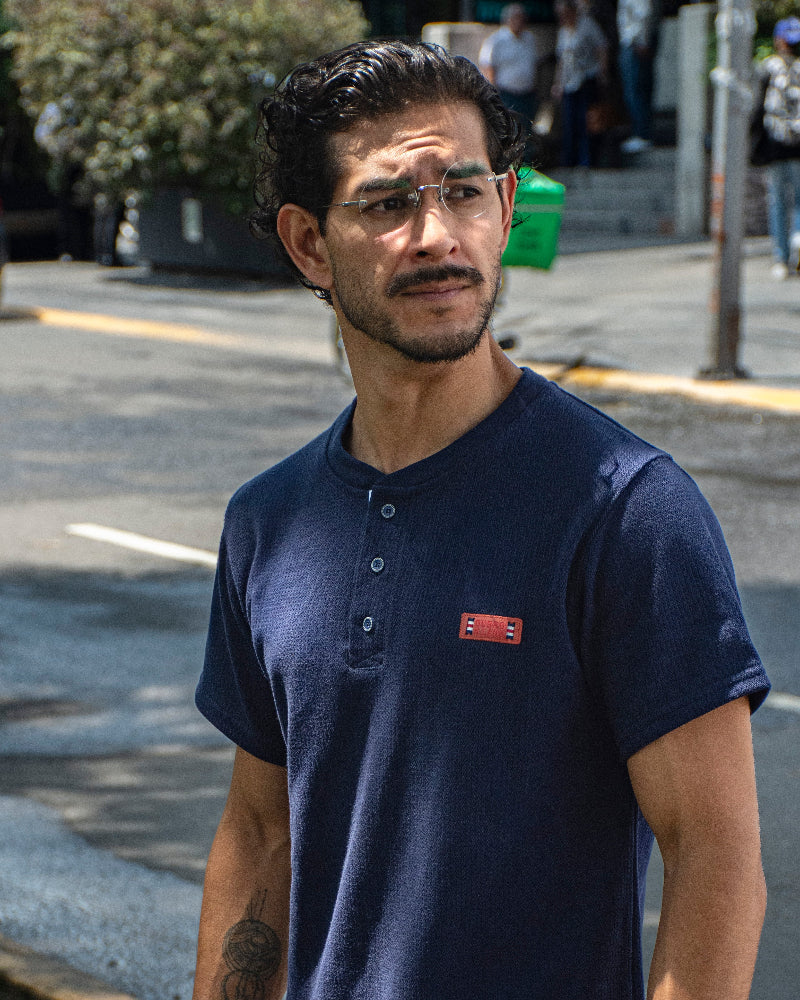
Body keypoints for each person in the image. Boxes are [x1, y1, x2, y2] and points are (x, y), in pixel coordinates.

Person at [193, 39, 770, 1000]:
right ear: (306, 244)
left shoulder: (624, 507)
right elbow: (262, 835)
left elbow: (713, 856)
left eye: (464, 193)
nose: (436, 235)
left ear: (505, 209)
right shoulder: (268, 523)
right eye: (387, 203)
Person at [756, 16, 800, 279]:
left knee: (778, 201)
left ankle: (781, 257)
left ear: (778, 40)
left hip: (775, 146)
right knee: (799, 201)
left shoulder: (768, 67)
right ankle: (797, 244)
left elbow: (756, 109)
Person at [552, 0, 609, 167]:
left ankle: (588, 160)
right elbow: (562, 60)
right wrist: (558, 83)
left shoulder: (588, 25)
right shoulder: (563, 31)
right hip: (569, 82)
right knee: (570, 123)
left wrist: (602, 73)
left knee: (587, 122)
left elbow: (602, 48)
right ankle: (570, 160)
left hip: (586, 79)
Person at [478, 3, 539, 125]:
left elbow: (534, 64)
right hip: (507, 94)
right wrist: (494, 94)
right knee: (509, 127)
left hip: (527, 94)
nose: (519, 21)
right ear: (508, 20)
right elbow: (487, 65)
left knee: (527, 129)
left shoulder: (530, 39)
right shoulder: (497, 40)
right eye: (516, 18)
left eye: (522, 18)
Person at [617, 0, 661, 154]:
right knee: (635, 90)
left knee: (636, 90)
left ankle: (642, 134)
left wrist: (643, 40)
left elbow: (644, 13)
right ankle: (640, 132)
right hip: (633, 41)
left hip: (635, 42)